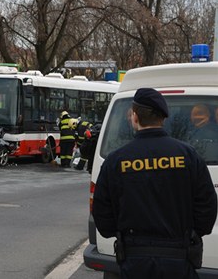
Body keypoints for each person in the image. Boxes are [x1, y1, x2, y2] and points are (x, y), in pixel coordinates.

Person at [93, 88, 217, 279]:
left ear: (135, 117)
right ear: (163, 119)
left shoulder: (116, 161)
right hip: (179, 259)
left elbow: (102, 215)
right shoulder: (189, 156)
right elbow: (207, 209)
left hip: (134, 262)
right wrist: (189, 234)